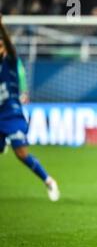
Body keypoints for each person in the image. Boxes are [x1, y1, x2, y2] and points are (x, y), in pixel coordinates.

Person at [0, 15, 59, 201]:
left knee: (22, 154)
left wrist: (1, 27)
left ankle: (49, 181)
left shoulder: (10, 63)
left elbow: (10, 47)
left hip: (12, 114)